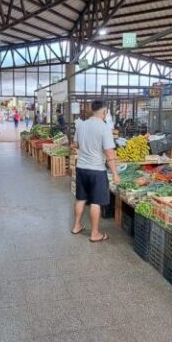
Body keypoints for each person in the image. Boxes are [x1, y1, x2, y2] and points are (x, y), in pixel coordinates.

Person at [71, 100, 120, 243]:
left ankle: (76, 226)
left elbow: (75, 144)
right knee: (95, 202)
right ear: (105, 112)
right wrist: (115, 174)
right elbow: (110, 154)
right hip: (96, 170)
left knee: (81, 198)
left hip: (81, 168)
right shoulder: (104, 127)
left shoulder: (81, 125)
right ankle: (95, 234)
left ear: (92, 110)